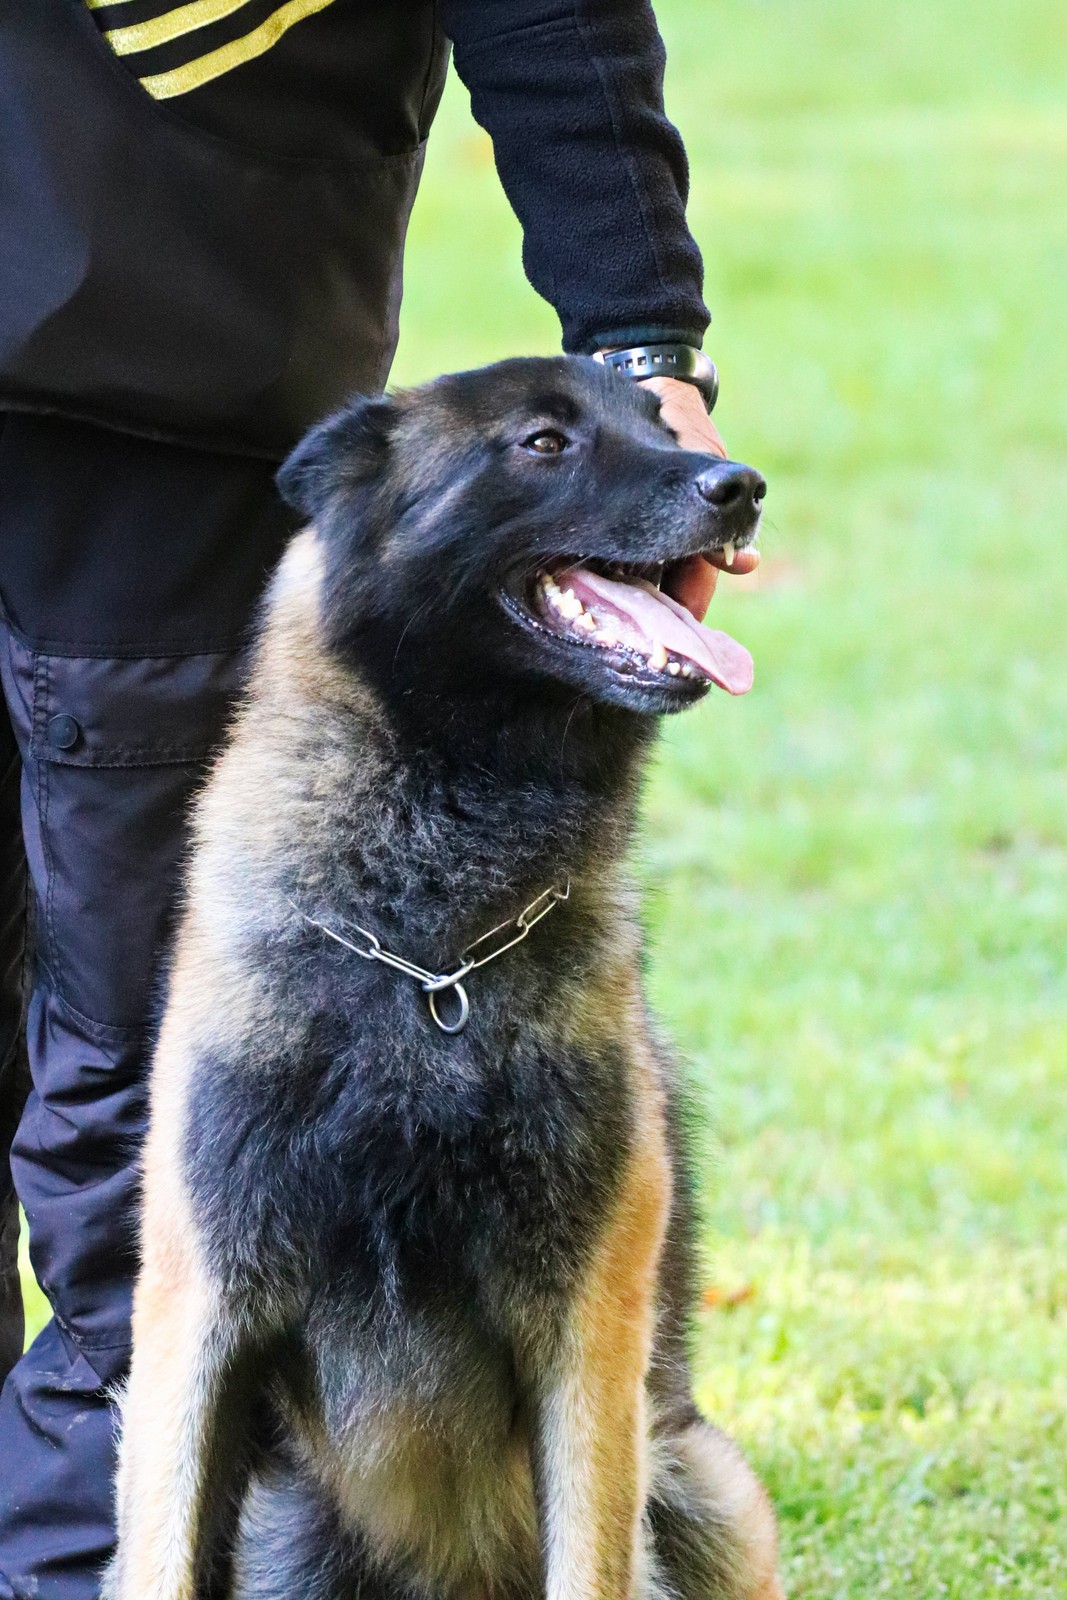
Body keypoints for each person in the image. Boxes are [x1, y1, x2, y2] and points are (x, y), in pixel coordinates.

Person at [0, 2, 756, 1595]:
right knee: (146, 1090)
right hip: (172, 324)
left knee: (138, 1084)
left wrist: (641, 339)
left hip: (160, 361)